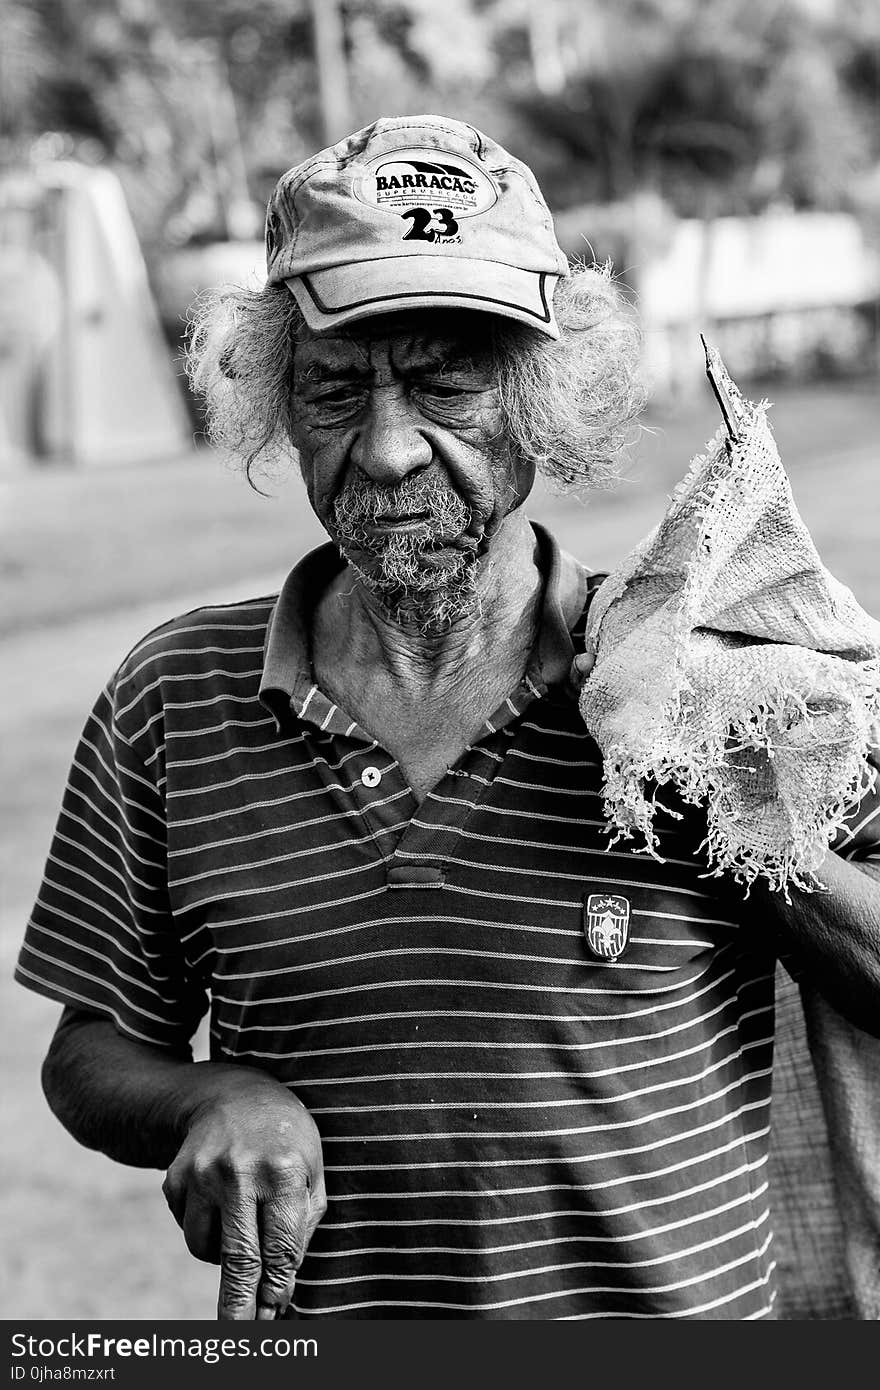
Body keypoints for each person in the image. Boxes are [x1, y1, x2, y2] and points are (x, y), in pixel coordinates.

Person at [16, 114, 880, 1322]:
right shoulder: (174, 694)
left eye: (442, 387)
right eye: (332, 388)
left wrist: (731, 812)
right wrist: (207, 1098)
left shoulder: (709, 678)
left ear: (539, 402)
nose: (381, 450)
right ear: (277, 397)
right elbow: (87, 1051)